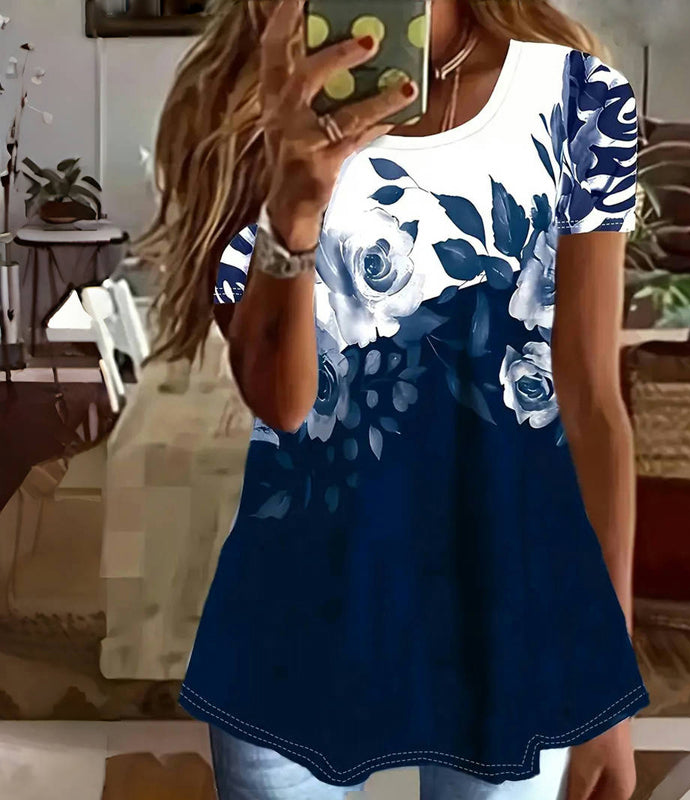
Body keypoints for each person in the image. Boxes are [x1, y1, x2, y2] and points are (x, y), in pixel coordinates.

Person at [136, 0, 650, 798]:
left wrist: (603, 681)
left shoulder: (579, 96)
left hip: (511, 615)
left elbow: (589, 404)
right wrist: (295, 207)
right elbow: (284, 403)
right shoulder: (242, 103)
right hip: (300, 618)